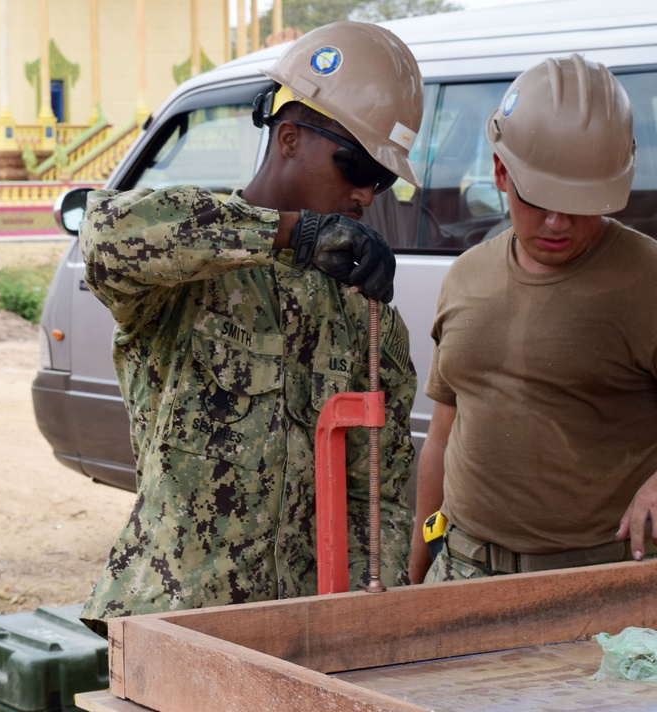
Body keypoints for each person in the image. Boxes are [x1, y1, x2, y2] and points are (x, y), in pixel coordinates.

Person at [78, 21, 422, 634]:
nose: (366, 195)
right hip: (179, 618)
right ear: (288, 137)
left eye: (383, 179)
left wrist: (371, 617)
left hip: (303, 628)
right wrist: (290, 233)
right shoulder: (192, 273)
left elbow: (382, 494)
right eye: (355, 167)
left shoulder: (359, 308)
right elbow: (105, 233)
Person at [409, 55, 657, 584]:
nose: (558, 222)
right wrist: (418, 568)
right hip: (459, 571)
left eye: (582, 202)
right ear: (500, 171)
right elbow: (444, 437)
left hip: (597, 586)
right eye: (539, 198)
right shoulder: (466, 276)